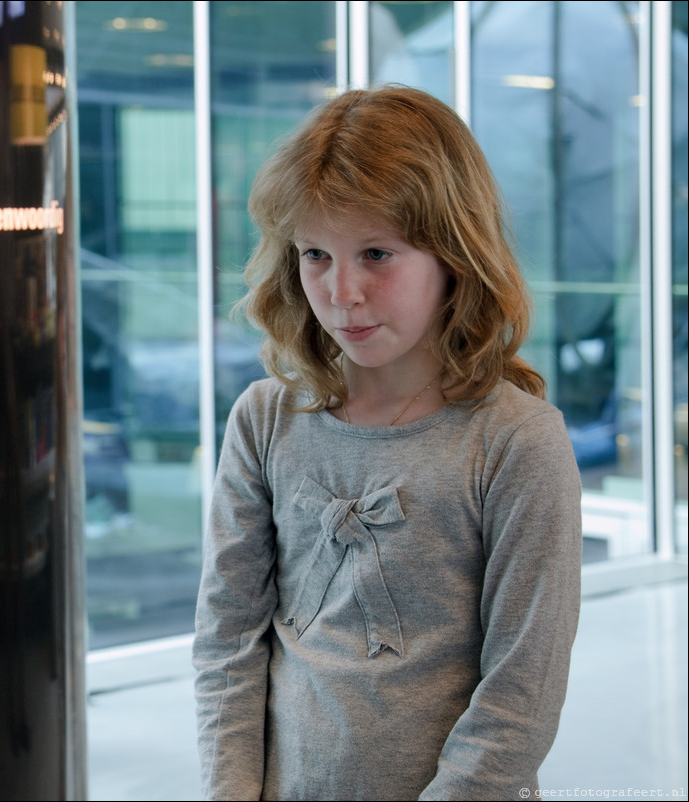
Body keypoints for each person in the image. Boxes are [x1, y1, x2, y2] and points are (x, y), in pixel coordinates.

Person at [193, 84, 583, 801]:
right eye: (315, 254)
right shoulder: (263, 419)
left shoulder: (518, 442)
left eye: (376, 253)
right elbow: (228, 643)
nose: (343, 292)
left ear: (455, 254)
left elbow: (521, 692)